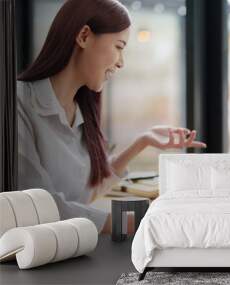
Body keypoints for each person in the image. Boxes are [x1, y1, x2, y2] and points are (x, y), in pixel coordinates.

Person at [16, 0, 206, 234]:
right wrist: (139, 222)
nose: (121, 62)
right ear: (84, 36)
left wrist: (142, 142)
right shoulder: (17, 103)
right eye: (119, 46)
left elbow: (85, 193)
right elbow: (35, 207)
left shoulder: (79, 111)